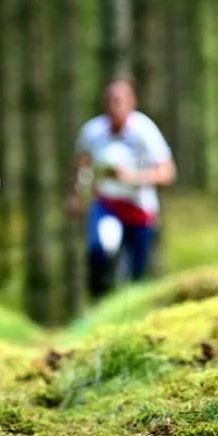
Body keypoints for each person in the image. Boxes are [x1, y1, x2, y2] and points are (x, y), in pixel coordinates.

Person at [67, 79, 176, 298]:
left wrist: (131, 178)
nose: (113, 107)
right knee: (99, 252)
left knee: (137, 275)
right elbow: (81, 164)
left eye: (118, 101)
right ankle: (99, 301)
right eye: (109, 101)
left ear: (131, 102)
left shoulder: (145, 131)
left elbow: (168, 173)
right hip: (107, 204)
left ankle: (129, 305)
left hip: (140, 209)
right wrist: (76, 195)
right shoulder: (92, 131)